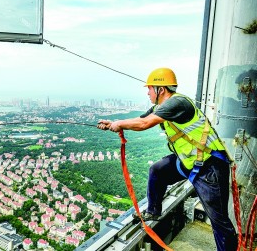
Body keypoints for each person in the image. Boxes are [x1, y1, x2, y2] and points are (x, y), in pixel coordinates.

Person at [97, 67, 238, 251]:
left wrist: (119, 124)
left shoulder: (177, 103)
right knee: (158, 170)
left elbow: (144, 124)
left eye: (150, 88)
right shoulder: (160, 107)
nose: (147, 92)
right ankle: (153, 212)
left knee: (219, 222)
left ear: (160, 89)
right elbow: (140, 119)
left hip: (209, 167)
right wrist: (112, 124)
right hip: (189, 161)